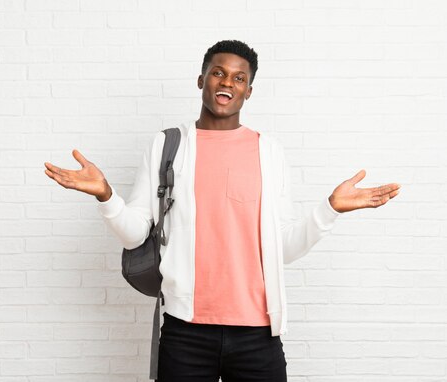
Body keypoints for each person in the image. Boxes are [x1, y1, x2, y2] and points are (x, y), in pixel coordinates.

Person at [44, 40, 401, 382]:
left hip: (258, 333)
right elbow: (136, 232)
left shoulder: (268, 152)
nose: (227, 81)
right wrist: (106, 196)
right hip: (185, 332)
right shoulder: (169, 145)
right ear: (202, 80)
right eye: (218, 72)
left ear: (248, 90)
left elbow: (283, 249)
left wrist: (329, 210)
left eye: (239, 77)